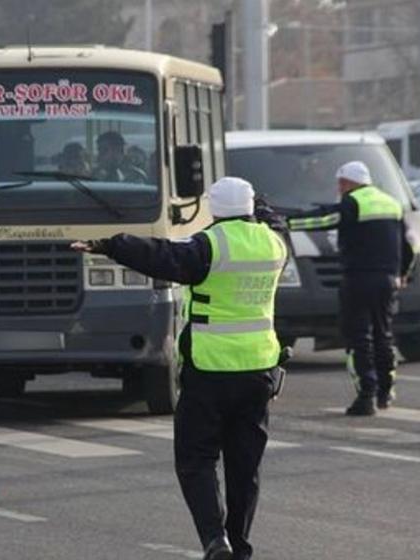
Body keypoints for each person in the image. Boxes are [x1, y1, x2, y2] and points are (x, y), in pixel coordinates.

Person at [72, 177, 290, 560]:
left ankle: (213, 539)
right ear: (251, 207)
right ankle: (238, 545)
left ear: (213, 209)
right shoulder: (275, 244)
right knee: (245, 468)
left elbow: (160, 254)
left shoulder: (209, 246)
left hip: (210, 370)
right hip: (259, 370)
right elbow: (275, 220)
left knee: (196, 460)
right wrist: (263, 206)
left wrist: (109, 245)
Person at [284, 161, 414, 415]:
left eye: (340, 184)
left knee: (358, 337)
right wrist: (403, 274)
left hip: (358, 280)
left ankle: (366, 396)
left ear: (345, 182)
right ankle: (386, 392)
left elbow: (323, 219)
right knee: (383, 335)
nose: (339, 189)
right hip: (387, 280)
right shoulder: (391, 203)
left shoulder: (352, 202)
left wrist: (285, 223)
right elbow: (409, 246)